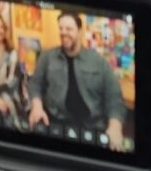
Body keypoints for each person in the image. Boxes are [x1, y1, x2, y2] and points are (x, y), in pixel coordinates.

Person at [27, 12, 127, 147]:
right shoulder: (47, 57)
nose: (63, 33)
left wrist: (115, 126)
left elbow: (114, 97)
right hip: (57, 124)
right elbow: (35, 84)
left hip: (92, 127)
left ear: (80, 31)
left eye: (68, 29)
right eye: (61, 29)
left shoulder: (98, 61)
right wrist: (37, 107)